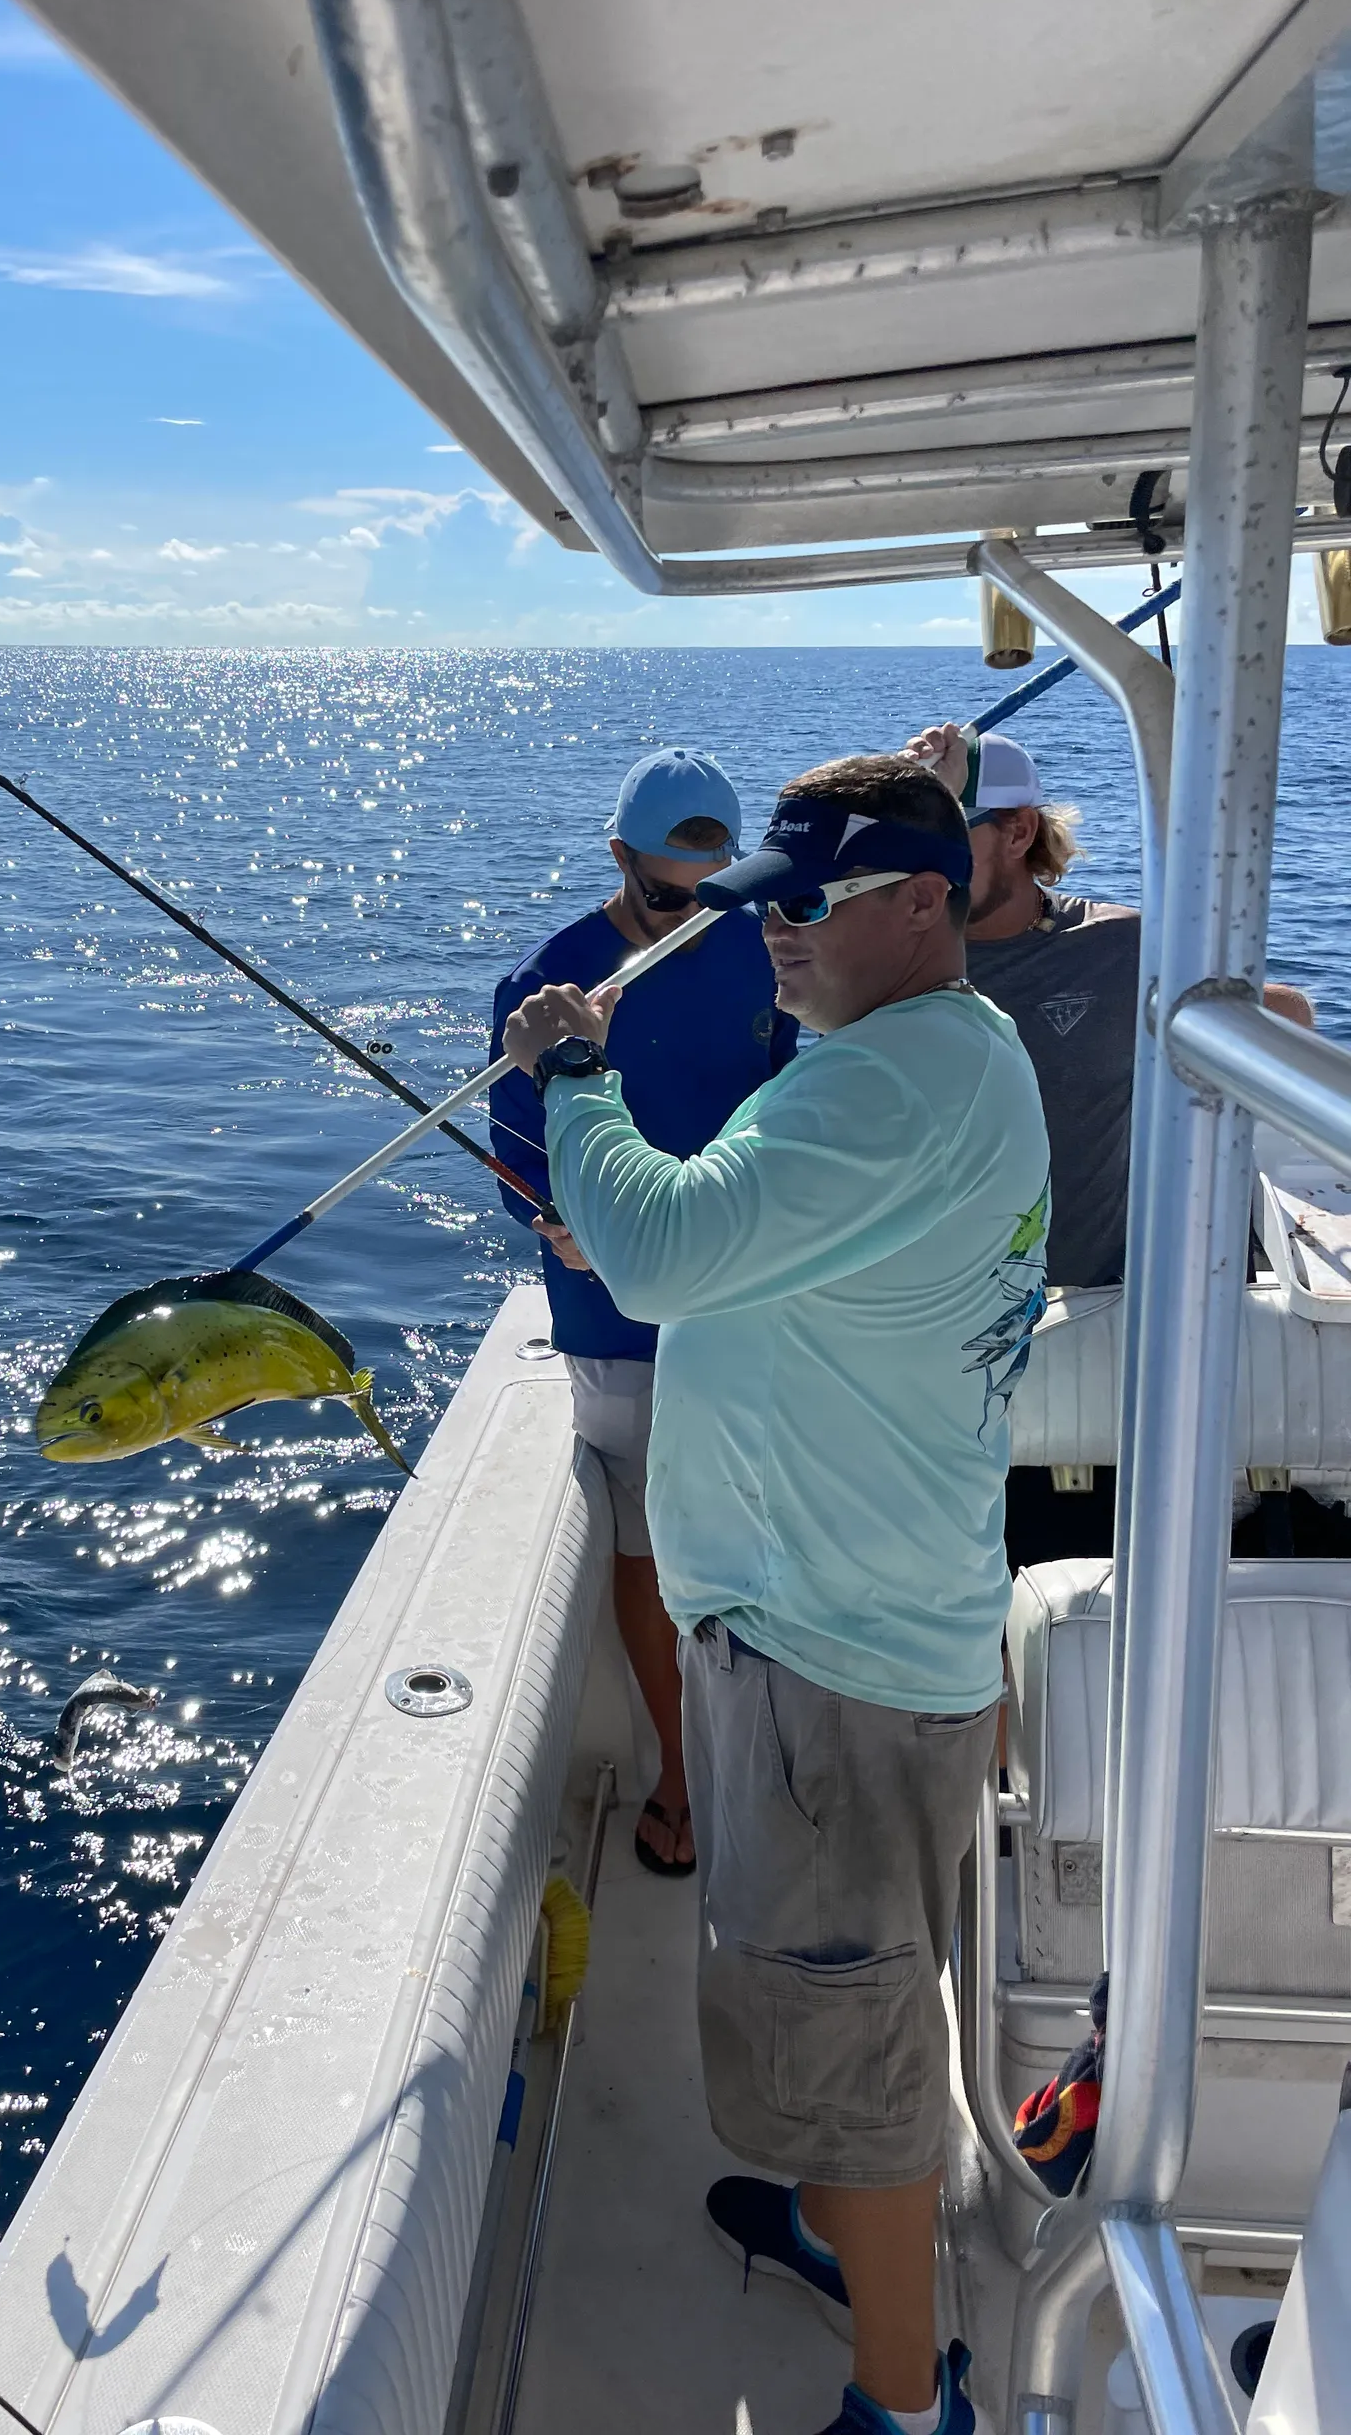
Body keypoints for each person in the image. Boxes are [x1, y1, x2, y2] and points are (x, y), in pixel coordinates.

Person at [504, 755, 1047, 2435]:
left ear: (926, 902)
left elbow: (668, 1252)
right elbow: (745, 1250)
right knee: (837, 2010)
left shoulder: (883, 1088)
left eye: (807, 905)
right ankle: (828, 2231)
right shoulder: (932, 1053)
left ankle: (906, 2400)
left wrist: (577, 1080)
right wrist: (642, 1210)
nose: (774, 938)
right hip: (850, 1622)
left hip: (833, 1659)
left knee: (855, 2047)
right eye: (759, 906)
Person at [490, 748, 796, 1875]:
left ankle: (774, 1765)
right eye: (668, 893)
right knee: (649, 1547)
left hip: (757, 1297)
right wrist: (557, 1218)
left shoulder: (770, 946)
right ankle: (680, 1768)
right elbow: (518, 1158)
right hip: (620, 1320)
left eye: (716, 890)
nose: (695, 912)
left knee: (769, 1535)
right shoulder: (550, 983)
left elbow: (795, 1098)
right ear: (619, 857)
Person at [906, 723, 1315, 1562]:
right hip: (951, 1341)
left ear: (1019, 832)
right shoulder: (902, 962)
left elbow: (1289, 1019)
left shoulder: (1122, 946)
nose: (925, 864)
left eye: (948, 832)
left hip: (1105, 1334)